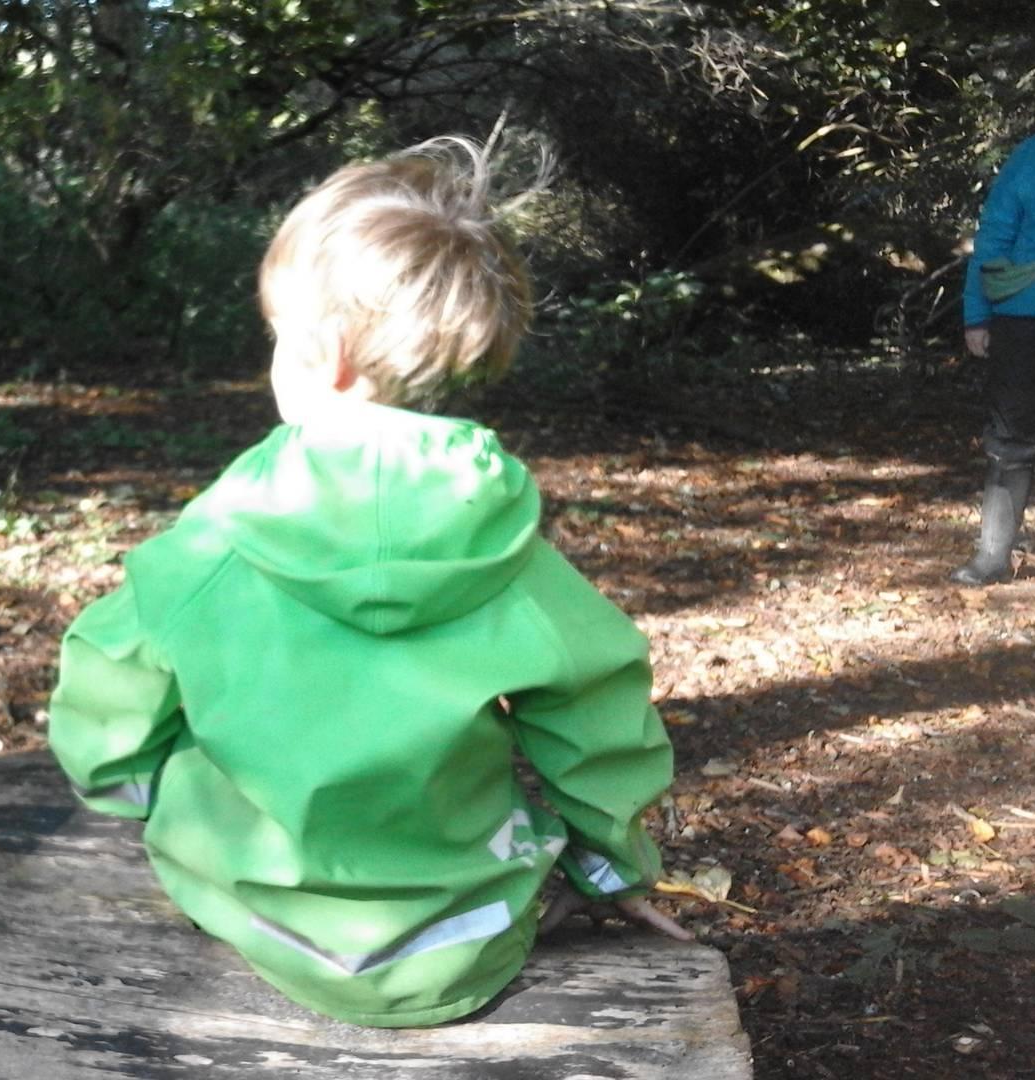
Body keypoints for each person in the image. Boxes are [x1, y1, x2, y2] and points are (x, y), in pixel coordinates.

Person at [45, 138, 689, 1029]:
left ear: (323, 352)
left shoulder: (218, 542)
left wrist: (135, 795)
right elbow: (599, 726)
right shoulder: (506, 554)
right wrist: (613, 866)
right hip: (464, 933)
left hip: (245, 902)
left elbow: (109, 690)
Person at [955, 128, 1035, 585]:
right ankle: (992, 558)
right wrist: (976, 316)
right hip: (1023, 322)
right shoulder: (1029, 158)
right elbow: (992, 238)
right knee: (1009, 442)